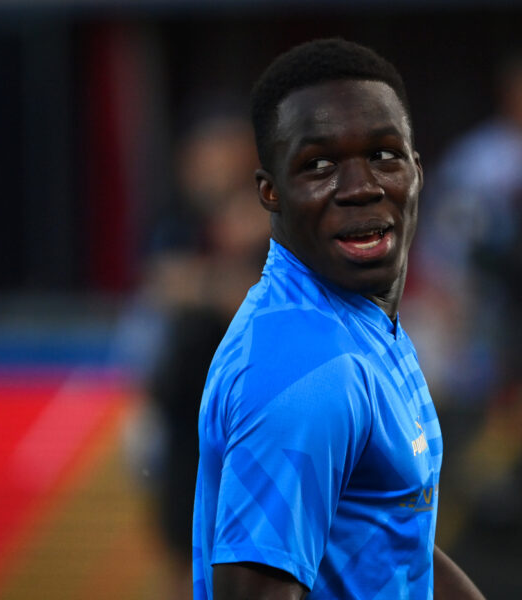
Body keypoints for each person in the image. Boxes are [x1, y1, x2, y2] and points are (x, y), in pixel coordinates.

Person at [192, 38, 484, 599]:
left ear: (417, 171)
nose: (361, 188)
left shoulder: (354, 318)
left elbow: (393, 538)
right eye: (319, 165)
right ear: (270, 193)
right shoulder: (307, 373)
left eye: (382, 155)